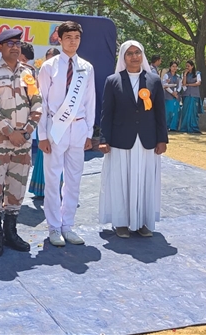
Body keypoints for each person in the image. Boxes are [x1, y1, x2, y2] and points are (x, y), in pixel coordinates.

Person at [0, 28, 43, 256]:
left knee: (17, 188)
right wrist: (9, 132)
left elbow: (37, 103)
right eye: (9, 43)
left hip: (22, 143)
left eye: (18, 43)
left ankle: (11, 232)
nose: (15, 47)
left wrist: (27, 131)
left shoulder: (29, 72)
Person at [98, 40, 168, 238]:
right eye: (129, 53)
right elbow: (106, 113)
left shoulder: (154, 80)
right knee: (121, 181)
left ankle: (143, 222)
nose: (134, 56)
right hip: (121, 139)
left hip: (147, 140)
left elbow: (160, 113)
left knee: (145, 181)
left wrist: (162, 139)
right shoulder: (113, 81)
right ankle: (121, 223)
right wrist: (104, 138)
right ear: (123, 57)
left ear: (142, 55)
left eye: (137, 52)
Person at [37, 21, 95, 247]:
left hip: (79, 127)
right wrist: (42, 135)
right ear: (59, 39)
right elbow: (41, 102)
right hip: (55, 127)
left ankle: (68, 225)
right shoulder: (48, 67)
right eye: (68, 37)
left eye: (76, 37)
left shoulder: (87, 68)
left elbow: (90, 101)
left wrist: (89, 132)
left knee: (74, 180)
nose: (73, 41)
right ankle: (54, 227)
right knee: (52, 179)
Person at [29, 47, 60, 199]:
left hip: (59, 121)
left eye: (52, 59)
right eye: (47, 59)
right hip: (43, 120)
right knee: (43, 154)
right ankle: (41, 188)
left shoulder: (63, 76)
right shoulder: (41, 74)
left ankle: (56, 188)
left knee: (57, 156)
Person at [179, 60, 203, 133]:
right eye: (186, 66)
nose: (187, 67)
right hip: (186, 95)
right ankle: (184, 127)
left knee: (193, 112)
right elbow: (183, 84)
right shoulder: (184, 74)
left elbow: (198, 83)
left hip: (194, 95)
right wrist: (185, 74)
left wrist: (189, 85)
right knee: (185, 111)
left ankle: (193, 127)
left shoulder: (197, 73)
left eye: (188, 66)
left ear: (192, 66)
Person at [161, 61, 181, 131]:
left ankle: (173, 127)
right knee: (169, 111)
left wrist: (177, 92)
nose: (174, 68)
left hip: (176, 95)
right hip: (168, 95)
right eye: (173, 66)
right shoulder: (166, 75)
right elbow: (165, 85)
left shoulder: (178, 76)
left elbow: (180, 85)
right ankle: (166, 126)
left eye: (176, 66)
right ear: (170, 67)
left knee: (175, 111)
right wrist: (172, 93)